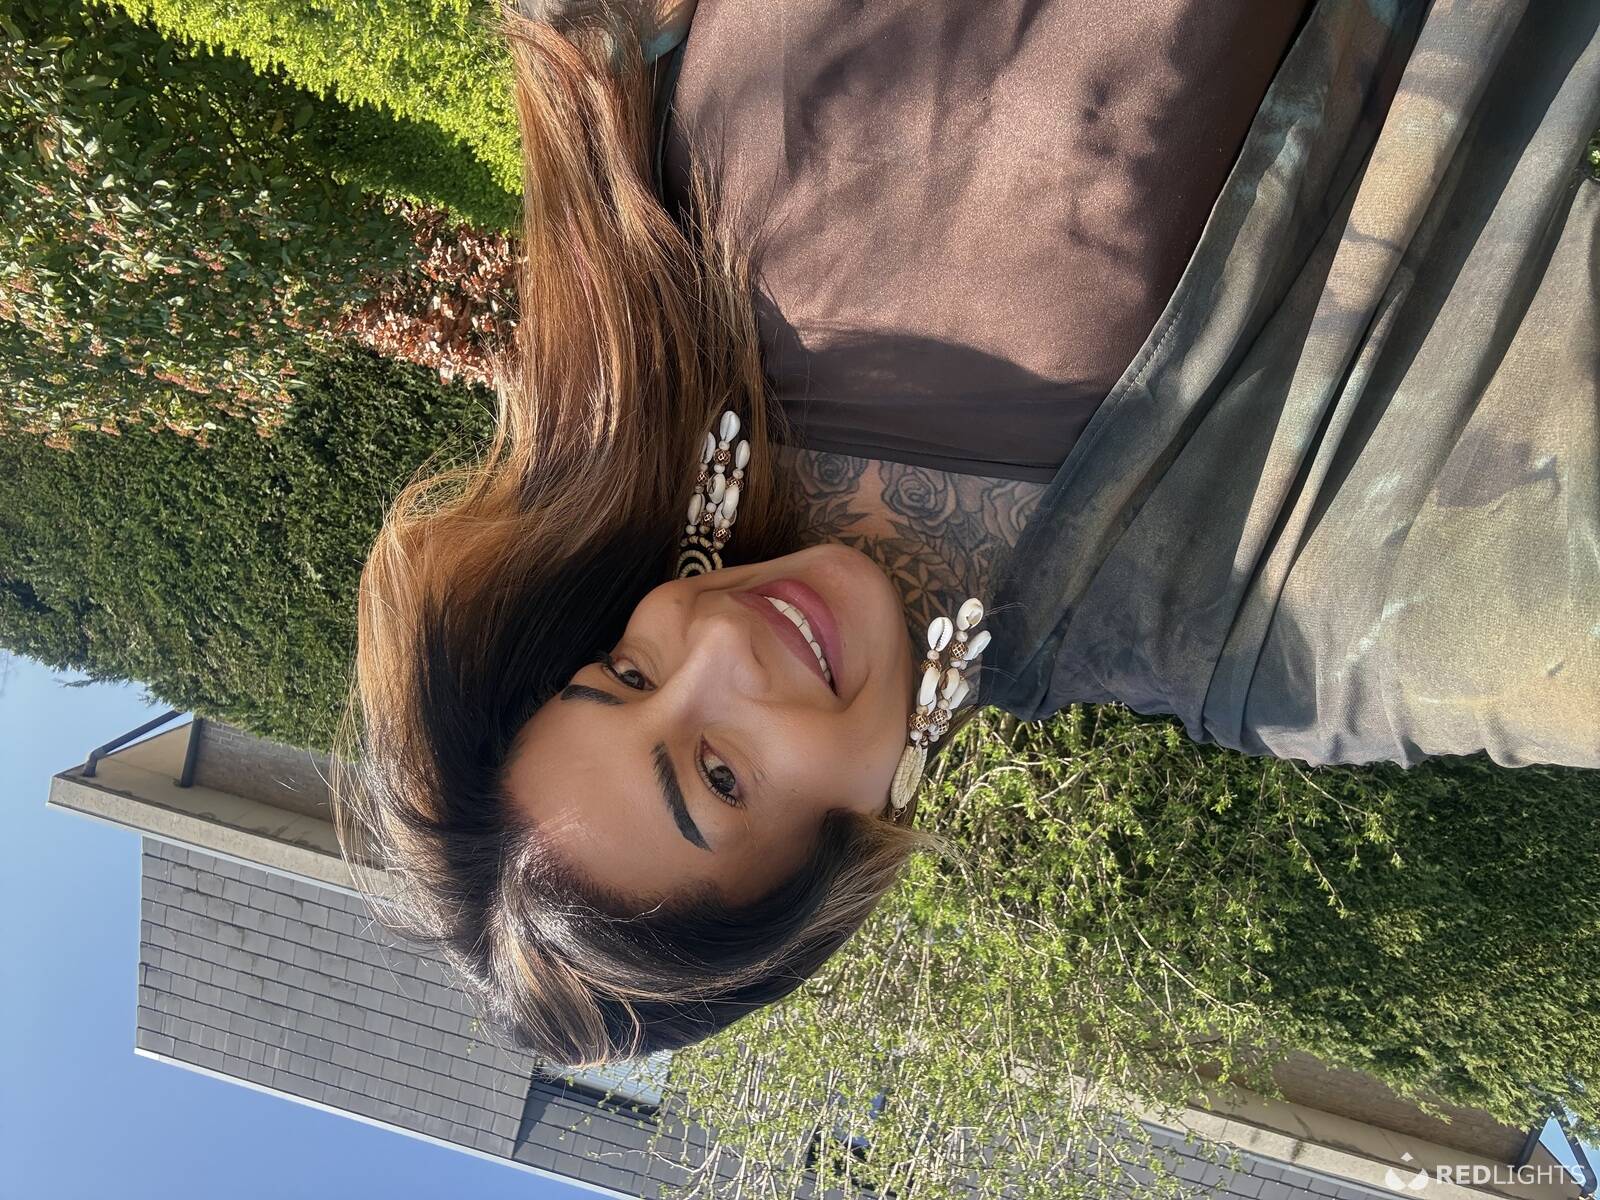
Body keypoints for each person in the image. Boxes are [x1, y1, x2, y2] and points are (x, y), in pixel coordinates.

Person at [330, 0, 1600, 1067]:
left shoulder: (660, 296)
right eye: (718, 774)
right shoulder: (1249, 626)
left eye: (625, 672)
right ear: (840, 855)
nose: (713, 644)